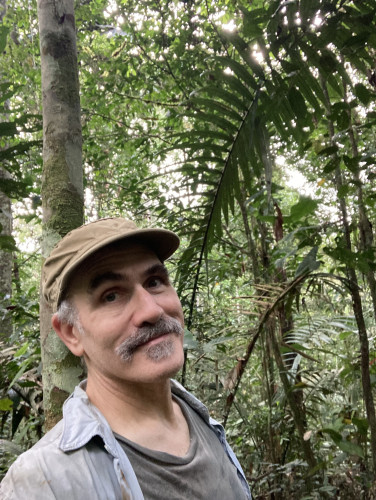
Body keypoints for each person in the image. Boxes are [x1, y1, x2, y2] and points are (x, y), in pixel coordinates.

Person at [1, 218, 251, 500]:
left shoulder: (202, 421)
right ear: (72, 333)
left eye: (154, 282)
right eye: (111, 297)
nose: (152, 311)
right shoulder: (42, 482)